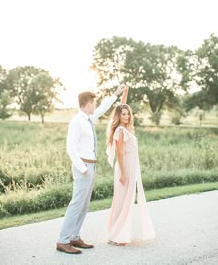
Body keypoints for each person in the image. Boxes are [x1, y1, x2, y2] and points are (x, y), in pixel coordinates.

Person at [57, 84, 125, 254]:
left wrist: (116, 94)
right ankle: (63, 241)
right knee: (76, 204)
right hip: (83, 168)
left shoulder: (89, 119)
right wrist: (83, 169)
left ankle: (74, 236)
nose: (95, 106)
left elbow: (103, 108)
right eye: (93, 104)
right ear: (87, 104)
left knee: (85, 205)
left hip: (91, 166)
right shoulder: (76, 122)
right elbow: (70, 148)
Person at [106, 86, 155, 246]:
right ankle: (117, 235)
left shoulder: (126, 128)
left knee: (125, 201)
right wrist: (123, 174)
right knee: (123, 202)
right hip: (125, 168)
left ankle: (116, 234)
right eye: (123, 114)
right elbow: (119, 153)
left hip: (131, 168)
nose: (126, 116)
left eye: (128, 113)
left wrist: (125, 94)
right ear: (119, 116)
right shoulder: (120, 131)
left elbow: (122, 107)